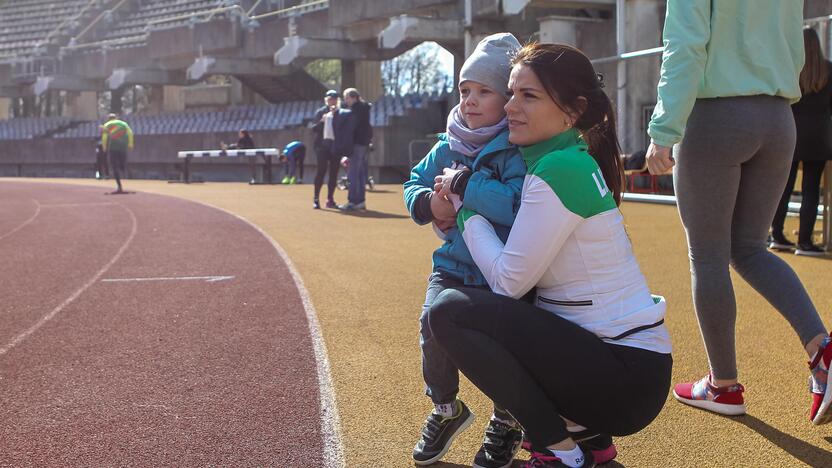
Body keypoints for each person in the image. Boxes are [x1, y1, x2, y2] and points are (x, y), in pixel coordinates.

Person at [428, 43, 673, 468]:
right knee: (513, 310)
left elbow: (508, 281)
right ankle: (589, 439)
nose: (509, 108)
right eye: (510, 93)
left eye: (529, 96)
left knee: (449, 311)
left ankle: (559, 451)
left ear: (572, 112)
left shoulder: (559, 169)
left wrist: (466, 207)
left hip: (624, 377)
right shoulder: (565, 161)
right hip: (625, 367)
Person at [645, 0, 832, 424]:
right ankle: (823, 349)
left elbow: (684, 46)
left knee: (708, 255)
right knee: (750, 248)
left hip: (715, 117)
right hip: (779, 117)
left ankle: (723, 386)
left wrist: (663, 129)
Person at [404, 33, 530, 468]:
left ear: (508, 98)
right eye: (464, 90)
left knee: (503, 347)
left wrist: (464, 187)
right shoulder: (448, 143)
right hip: (454, 264)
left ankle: (509, 417)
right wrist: (428, 203)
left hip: (501, 268)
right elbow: (413, 183)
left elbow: (516, 204)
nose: (471, 101)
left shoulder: (517, 148)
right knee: (431, 326)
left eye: (484, 91)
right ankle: (446, 407)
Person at [771, 27, 832, 257]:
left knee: (783, 187)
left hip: (792, 134)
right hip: (819, 137)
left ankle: (777, 234)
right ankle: (805, 241)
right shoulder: (829, 71)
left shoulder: (791, 69)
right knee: (811, 190)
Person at [338, 88, 372, 211]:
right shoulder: (363, 109)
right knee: (360, 174)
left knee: (354, 174)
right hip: (363, 144)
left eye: (347, 98)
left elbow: (351, 129)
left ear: (354, 97)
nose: (345, 101)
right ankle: (360, 201)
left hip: (357, 145)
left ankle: (353, 201)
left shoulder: (357, 110)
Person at [311, 90, 341, 208]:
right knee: (321, 172)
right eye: (329, 99)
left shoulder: (340, 112)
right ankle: (316, 198)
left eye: (334, 99)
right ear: (326, 100)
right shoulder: (320, 112)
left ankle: (330, 199)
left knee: (334, 173)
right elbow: (313, 128)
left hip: (335, 146)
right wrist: (322, 121)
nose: (332, 101)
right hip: (322, 146)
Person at [101, 113, 133, 194]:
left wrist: (104, 147)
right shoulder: (123, 124)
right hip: (123, 147)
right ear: (116, 118)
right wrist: (130, 144)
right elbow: (130, 133)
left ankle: (119, 186)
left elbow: (104, 137)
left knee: (114, 166)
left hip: (113, 148)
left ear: (109, 119)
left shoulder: (107, 125)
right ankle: (124, 170)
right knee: (122, 164)